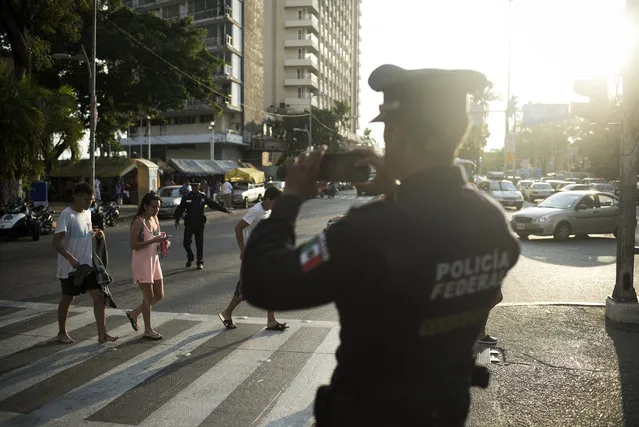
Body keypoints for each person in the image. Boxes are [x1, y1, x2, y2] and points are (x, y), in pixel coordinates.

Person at [241, 65, 521, 426]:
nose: (387, 140)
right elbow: (434, 232)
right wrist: (398, 190)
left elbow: (264, 282)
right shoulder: (491, 220)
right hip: (444, 411)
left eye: (391, 128)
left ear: (410, 136)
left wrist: (290, 199)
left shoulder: (368, 230)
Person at [52, 182, 119, 344]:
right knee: (68, 299)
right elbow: (56, 242)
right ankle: (61, 332)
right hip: (71, 268)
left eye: (91, 200)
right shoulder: (67, 215)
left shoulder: (88, 213)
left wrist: (96, 234)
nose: (90, 202)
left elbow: (87, 234)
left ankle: (102, 335)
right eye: (87, 199)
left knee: (99, 296)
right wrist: (71, 258)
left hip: (89, 265)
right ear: (76, 197)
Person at [218, 186, 287, 331]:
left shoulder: (268, 210)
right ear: (268, 199)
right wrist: (243, 250)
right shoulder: (256, 211)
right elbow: (238, 228)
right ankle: (227, 312)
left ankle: (271, 321)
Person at [126, 193, 169, 340]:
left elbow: (157, 237)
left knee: (159, 295)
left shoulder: (155, 219)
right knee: (148, 297)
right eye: (153, 207)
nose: (156, 209)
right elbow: (133, 245)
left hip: (154, 261)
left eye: (158, 207)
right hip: (142, 263)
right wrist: (153, 241)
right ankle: (148, 330)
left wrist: (163, 242)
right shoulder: (138, 222)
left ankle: (134, 313)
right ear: (145, 206)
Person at [174, 180, 232, 270]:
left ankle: (199, 262)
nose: (194, 188)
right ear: (191, 187)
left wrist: (224, 210)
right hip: (189, 223)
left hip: (200, 223)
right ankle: (190, 257)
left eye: (196, 186)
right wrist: (177, 219)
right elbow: (180, 208)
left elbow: (213, 204)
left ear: (199, 187)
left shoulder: (202, 196)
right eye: (193, 187)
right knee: (186, 243)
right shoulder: (187, 197)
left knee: (199, 244)